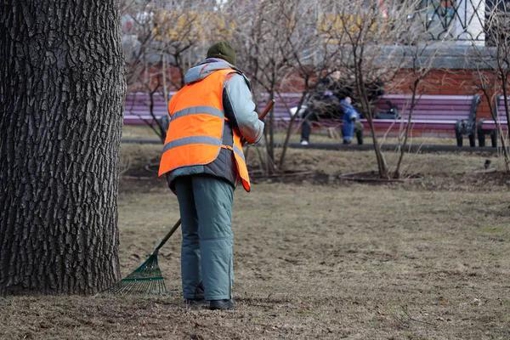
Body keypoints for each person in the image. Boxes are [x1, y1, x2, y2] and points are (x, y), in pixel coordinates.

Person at [158, 41, 264, 310]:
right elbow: (245, 118)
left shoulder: (185, 89)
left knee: (192, 232)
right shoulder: (230, 78)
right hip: (211, 159)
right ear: (229, 61)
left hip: (178, 164)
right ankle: (218, 296)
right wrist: (256, 131)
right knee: (216, 231)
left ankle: (193, 294)